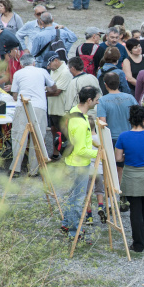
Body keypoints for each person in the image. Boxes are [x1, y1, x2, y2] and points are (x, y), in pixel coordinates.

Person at [114, 105, 144, 251]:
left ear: (131, 120)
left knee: (135, 210)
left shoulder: (123, 136)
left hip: (131, 174)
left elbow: (118, 157)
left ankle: (138, 243)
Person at [60, 87, 99, 244]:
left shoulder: (75, 111)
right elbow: (82, 150)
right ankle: (75, 232)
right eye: (96, 99)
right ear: (89, 100)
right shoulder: (82, 124)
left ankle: (66, 224)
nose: (97, 102)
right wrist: (99, 154)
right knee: (77, 199)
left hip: (71, 161)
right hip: (79, 164)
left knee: (71, 196)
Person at [9, 54, 56, 176]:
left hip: (22, 105)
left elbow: (14, 95)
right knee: (38, 136)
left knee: (18, 136)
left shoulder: (18, 73)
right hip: (39, 106)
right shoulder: (42, 71)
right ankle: (33, 170)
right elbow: (53, 88)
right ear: (34, 62)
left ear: (22, 64)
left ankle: (15, 168)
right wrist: (42, 88)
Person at [44, 54, 73, 160]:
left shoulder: (65, 72)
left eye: (49, 64)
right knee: (54, 130)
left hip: (61, 109)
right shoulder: (54, 69)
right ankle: (56, 153)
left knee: (63, 134)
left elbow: (56, 91)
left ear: (56, 60)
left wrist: (41, 93)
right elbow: (51, 88)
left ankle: (68, 158)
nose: (48, 67)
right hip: (53, 108)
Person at [97, 71, 137, 143]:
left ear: (105, 84)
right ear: (119, 83)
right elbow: (138, 116)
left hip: (112, 138)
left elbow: (102, 122)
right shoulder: (130, 98)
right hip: (130, 135)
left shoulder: (102, 101)